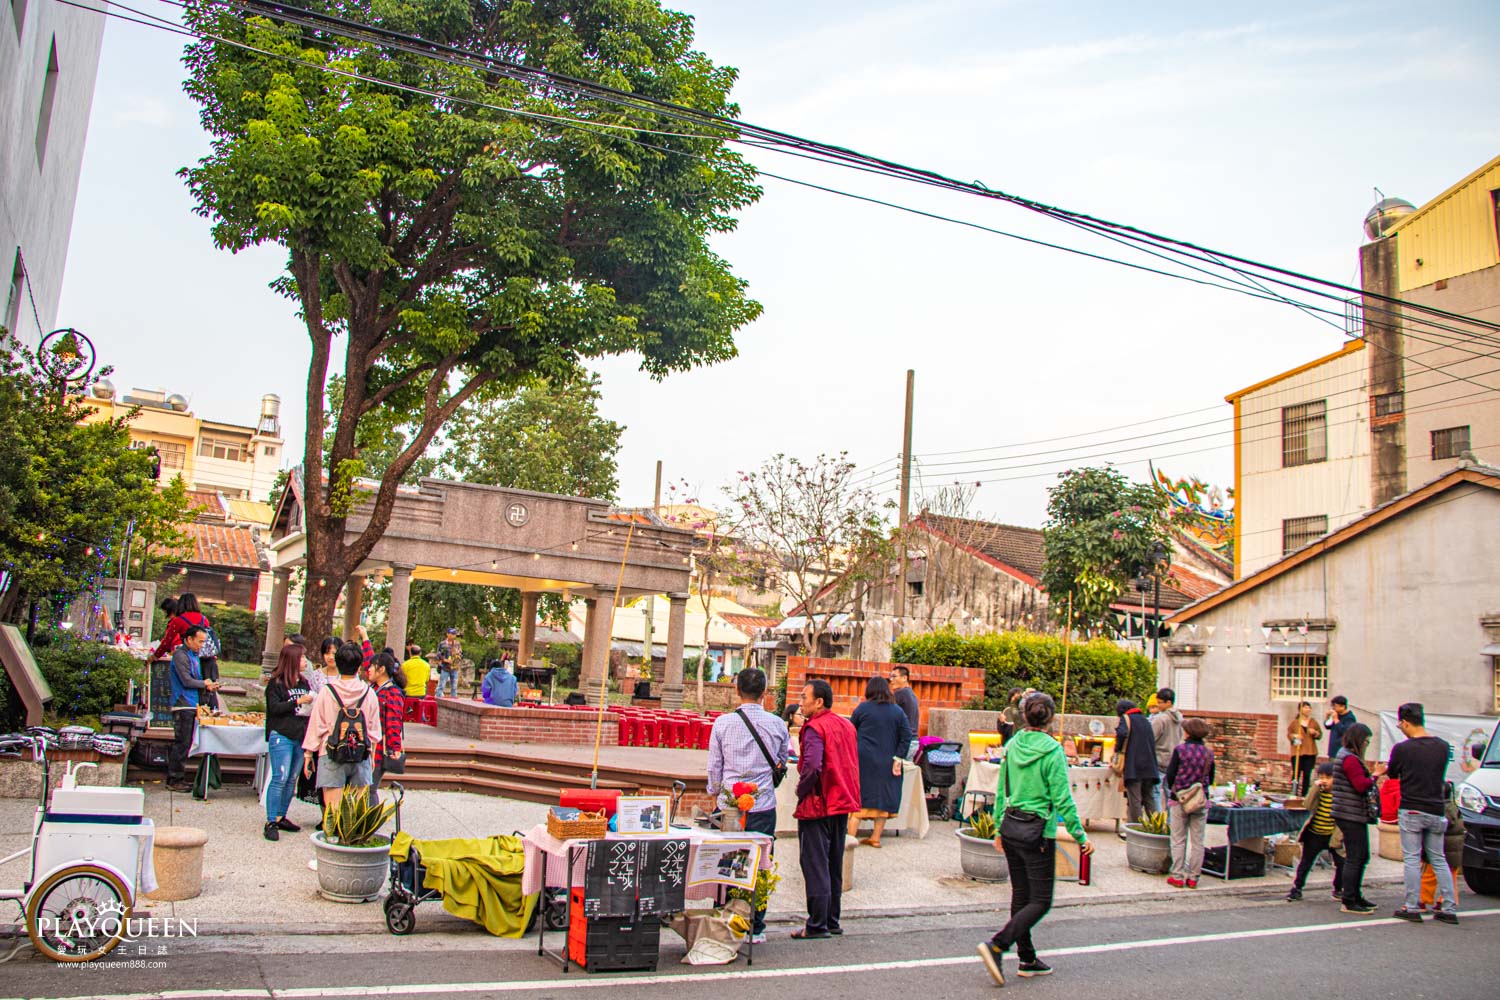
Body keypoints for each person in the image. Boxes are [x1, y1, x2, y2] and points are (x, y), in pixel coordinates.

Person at [977, 693, 1092, 986]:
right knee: (1040, 900)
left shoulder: (1012, 745)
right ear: (1050, 718)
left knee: (1021, 894)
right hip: (1039, 830)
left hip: (1012, 825)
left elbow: (1002, 788)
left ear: (1024, 716)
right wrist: (1080, 835)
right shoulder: (1053, 752)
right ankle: (998, 944)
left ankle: (1027, 957)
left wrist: (998, 827)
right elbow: (1062, 798)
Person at [706, 668, 789, 943]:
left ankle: (724, 917)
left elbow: (714, 765)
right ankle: (756, 925)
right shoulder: (777, 724)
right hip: (763, 804)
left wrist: (713, 792)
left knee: (724, 862)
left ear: (736, 690)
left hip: (729, 805)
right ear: (765, 693)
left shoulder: (722, 723)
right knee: (760, 864)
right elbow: (781, 759)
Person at [791, 679, 860, 940]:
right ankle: (831, 919)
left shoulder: (814, 729)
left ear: (819, 702)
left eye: (804, 697)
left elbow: (811, 766)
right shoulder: (846, 725)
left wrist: (801, 789)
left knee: (815, 862)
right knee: (833, 861)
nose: (800, 701)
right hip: (841, 801)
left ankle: (817, 923)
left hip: (819, 802)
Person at [1386, 702, 1458, 924]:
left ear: (1406, 722)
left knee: (1412, 858)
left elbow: (1393, 774)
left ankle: (1412, 906)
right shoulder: (1443, 747)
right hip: (1437, 808)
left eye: (1400, 724)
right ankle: (1449, 907)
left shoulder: (1402, 749)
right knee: (1438, 858)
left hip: (1412, 808)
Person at [302, 640, 383, 813]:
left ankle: (332, 837)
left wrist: (309, 752)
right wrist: (373, 754)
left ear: (338, 664)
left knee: (333, 809)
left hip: (330, 751)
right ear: (359, 666)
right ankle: (350, 839)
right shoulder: (369, 693)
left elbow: (316, 723)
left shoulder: (327, 691)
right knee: (355, 811)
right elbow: (374, 729)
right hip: (360, 753)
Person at [848, 676, 912, 849]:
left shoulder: (863, 708)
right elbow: (907, 736)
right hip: (887, 760)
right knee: (883, 799)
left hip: (863, 760)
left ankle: (849, 839)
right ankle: (875, 838)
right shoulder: (897, 711)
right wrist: (898, 757)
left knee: (858, 801)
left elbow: (850, 730)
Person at [1330, 722, 1383, 914]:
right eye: (1366, 741)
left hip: (1349, 812)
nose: (1367, 745)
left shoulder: (1345, 756)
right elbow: (1361, 785)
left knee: (1361, 856)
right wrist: (1376, 775)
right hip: (1350, 813)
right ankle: (1349, 899)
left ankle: (1355, 895)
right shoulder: (1350, 759)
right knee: (1355, 857)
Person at [263, 643, 314, 841]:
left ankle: (281, 815)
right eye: (301, 658)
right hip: (281, 734)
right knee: (280, 777)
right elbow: (274, 708)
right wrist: (297, 702)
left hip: (299, 735)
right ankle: (270, 821)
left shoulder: (304, 683)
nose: (304, 661)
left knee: (292, 778)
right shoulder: (276, 683)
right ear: (292, 660)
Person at [1163, 717, 1215, 888]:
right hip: (1200, 799)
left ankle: (1177, 875)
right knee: (1198, 840)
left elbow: (1171, 774)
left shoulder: (1180, 750)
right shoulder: (1208, 753)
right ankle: (1194, 877)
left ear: (1188, 732)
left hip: (1180, 798)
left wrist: (1174, 790)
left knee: (1178, 838)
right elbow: (1211, 777)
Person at [166, 625, 219, 792]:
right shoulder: (180, 655)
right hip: (182, 703)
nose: (201, 645)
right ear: (189, 639)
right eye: (199, 641)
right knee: (182, 742)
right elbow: (186, 680)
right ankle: (174, 779)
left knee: (186, 741)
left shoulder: (194, 655)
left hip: (193, 702)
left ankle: (178, 777)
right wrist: (204, 684)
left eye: (203, 642)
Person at [153, 593, 221, 712]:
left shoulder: (179, 620)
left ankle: (193, 712)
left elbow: (167, 641)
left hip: (191, 659)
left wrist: (155, 655)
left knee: (191, 684)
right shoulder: (204, 619)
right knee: (209, 689)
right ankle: (211, 714)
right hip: (207, 660)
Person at [1287, 762, 1345, 901]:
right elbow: (1306, 804)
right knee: (1306, 862)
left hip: (1332, 835)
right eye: (1321, 777)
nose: (1324, 780)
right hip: (1315, 833)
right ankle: (1297, 888)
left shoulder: (1340, 795)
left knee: (1341, 863)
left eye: (1328, 777)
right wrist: (1314, 788)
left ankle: (1338, 889)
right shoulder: (1318, 792)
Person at [1420, 783, 1465, 914]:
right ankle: (1445, 900)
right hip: (1455, 849)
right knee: (1450, 875)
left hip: (1442, 848)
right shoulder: (1453, 807)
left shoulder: (1441, 809)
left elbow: (1439, 826)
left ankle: (1423, 900)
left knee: (1429, 875)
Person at [1115, 698, 1160, 823]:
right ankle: (1155, 826)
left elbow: (1122, 734)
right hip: (1150, 764)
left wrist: (1117, 750)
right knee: (1148, 797)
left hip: (1134, 764)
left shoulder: (1127, 719)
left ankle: (1136, 827)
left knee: (1135, 798)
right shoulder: (1146, 721)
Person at [370, 652, 407, 791]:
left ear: (381, 669)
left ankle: (372, 813)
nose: (368, 670)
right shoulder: (373, 688)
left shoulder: (392, 692)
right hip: (369, 746)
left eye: (371, 667)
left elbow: (394, 722)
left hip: (379, 747)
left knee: (370, 790)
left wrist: (395, 747)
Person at [1287, 701, 1324, 797]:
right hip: (1297, 752)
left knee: (1307, 774)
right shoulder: (1295, 723)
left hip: (1310, 752)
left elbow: (1319, 735)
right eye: (1305, 707)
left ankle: (1304, 794)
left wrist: (1315, 732)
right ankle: (1294, 793)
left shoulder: (1313, 722)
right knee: (1296, 774)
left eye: (1309, 708)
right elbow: (1289, 734)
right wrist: (1295, 736)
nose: (1308, 710)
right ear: (1300, 709)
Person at [1150, 687, 1183, 773]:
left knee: (1156, 786)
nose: (1158, 705)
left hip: (1159, 762)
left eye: (1160, 703)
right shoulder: (1180, 718)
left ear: (1168, 702)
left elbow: (1150, 738)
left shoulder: (1160, 719)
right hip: (1174, 761)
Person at [889, 665, 920, 733]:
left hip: (902, 738)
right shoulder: (911, 693)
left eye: (894, 676)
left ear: (904, 678)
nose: (891, 679)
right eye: (891, 677)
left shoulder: (901, 693)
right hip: (912, 737)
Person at [435, 628, 462, 697]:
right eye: (451, 634)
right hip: (445, 667)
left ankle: (454, 699)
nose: (453, 636)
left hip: (454, 667)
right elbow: (438, 654)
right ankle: (438, 698)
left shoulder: (457, 644)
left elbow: (461, 654)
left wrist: (457, 654)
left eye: (454, 634)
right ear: (447, 634)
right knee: (441, 685)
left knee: (454, 686)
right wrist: (445, 660)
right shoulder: (442, 644)